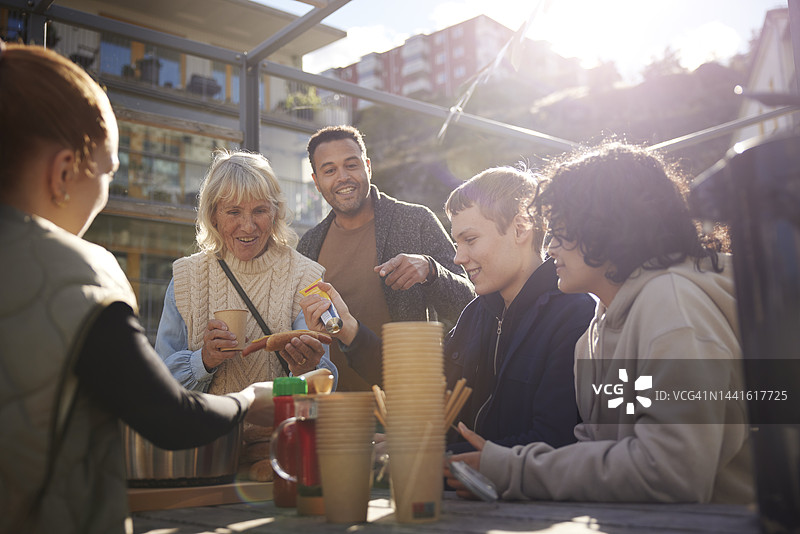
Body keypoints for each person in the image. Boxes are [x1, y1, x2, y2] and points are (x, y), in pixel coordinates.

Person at [0, 42, 275, 534]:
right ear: (63, 172)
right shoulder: (80, 273)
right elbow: (168, 417)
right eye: (107, 172)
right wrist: (251, 398)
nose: (105, 193)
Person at [445, 143, 754, 504]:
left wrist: (514, 469)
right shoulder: (597, 327)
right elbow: (606, 449)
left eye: (561, 231)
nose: (550, 248)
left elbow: (672, 473)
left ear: (607, 227)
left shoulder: (673, 306)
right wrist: (504, 465)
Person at [301, 167, 594, 451]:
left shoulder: (574, 317)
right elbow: (421, 386)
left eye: (470, 240)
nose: (458, 258)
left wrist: (434, 453)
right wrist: (348, 329)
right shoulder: (477, 314)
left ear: (520, 228)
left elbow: (556, 442)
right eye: (457, 243)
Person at [297, 125, 474, 391]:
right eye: (330, 170)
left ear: (367, 167)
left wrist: (431, 270)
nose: (343, 177)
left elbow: (470, 306)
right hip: (333, 412)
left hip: (408, 402)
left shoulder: (416, 221)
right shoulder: (308, 245)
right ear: (316, 180)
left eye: (351, 165)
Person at [155, 150, 338, 394]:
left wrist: (305, 369)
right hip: (210, 431)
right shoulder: (187, 277)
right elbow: (157, 381)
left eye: (260, 211)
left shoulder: (306, 276)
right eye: (233, 212)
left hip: (282, 430)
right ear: (213, 215)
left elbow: (327, 383)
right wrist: (204, 360)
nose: (248, 226)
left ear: (274, 214)